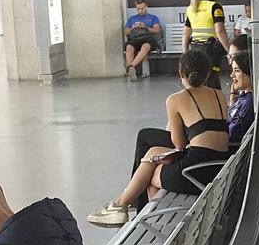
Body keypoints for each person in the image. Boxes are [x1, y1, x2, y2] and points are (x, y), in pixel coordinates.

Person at [89, 50, 229, 226]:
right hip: (217, 166)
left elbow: (179, 144)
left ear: (180, 73)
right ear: (208, 73)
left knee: (149, 174)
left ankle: (139, 217)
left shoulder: (175, 99)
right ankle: (123, 206)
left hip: (194, 172)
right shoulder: (219, 95)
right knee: (153, 152)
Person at [183, 0, 230, 83]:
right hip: (210, 50)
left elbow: (185, 34)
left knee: (199, 79)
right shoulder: (215, 6)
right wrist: (230, 51)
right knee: (212, 78)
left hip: (195, 49)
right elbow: (220, 31)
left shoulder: (191, 8)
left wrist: (185, 55)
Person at [123, 0, 163, 79]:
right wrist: (133, 28)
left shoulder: (153, 18)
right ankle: (132, 71)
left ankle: (131, 66)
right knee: (129, 47)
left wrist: (145, 27)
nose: (140, 11)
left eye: (142, 8)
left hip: (148, 39)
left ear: (146, 7)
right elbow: (126, 32)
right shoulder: (132, 19)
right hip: (136, 39)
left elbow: (156, 30)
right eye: (138, 9)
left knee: (145, 46)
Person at [227, 46, 254, 152]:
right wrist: (233, 94)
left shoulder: (249, 102)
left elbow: (233, 133)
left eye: (237, 71)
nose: (232, 75)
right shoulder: (243, 97)